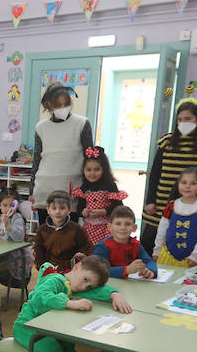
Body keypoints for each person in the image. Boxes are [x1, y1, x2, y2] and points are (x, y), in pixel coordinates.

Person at [0, 256, 131, 352]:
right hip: (27, 327)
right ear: (77, 267)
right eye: (85, 280)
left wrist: (114, 295)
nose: (84, 287)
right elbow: (41, 297)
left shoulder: (73, 285)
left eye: (89, 286)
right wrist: (69, 303)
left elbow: (96, 291)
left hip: (47, 330)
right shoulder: (55, 280)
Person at [141, 98, 197, 253]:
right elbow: (155, 175)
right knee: (148, 243)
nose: (183, 122)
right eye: (180, 119)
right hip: (162, 203)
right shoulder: (166, 142)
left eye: (188, 119)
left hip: (192, 205)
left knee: (182, 244)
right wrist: (150, 200)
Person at [30, 84, 94, 222]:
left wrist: (87, 190)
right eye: (58, 105)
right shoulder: (41, 127)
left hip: (71, 189)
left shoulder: (82, 123)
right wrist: (31, 190)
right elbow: (37, 160)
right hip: (44, 188)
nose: (63, 108)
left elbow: (90, 159)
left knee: (70, 235)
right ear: (49, 105)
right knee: (46, 234)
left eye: (66, 104)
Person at [153, 167, 197, 268]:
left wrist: (196, 256)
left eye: (193, 183)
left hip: (193, 259)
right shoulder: (171, 205)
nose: (187, 186)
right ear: (178, 183)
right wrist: (157, 251)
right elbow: (162, 230)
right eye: (184, 182)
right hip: (168, 255)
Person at [71, 145, 127, 247]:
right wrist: (83, 212)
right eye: (89, 170)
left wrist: (104, 211)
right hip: (89, 228)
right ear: (83, 170)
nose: (92, 173)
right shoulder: (83, 188)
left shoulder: (109, 185)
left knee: (105, 250)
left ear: (103, 169)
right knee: (90, 250)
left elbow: (118, 205)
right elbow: (80, 207)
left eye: (96, 169)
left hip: (107, 228)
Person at [33, 189, 91, 274]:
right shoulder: (42, 230)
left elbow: (86, 247)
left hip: (71, 270)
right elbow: (39, 252)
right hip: (49, 270)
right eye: (54, 208)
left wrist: (81, 257)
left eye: (62, 208)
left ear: (69, 210)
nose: (58, 212)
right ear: (48, 210)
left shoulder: (76, 229)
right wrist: (43, 268)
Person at [93, 206, 158, 279]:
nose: (123, 228)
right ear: (110, 227)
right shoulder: (102, 247)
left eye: (127, 224)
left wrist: (150, 271)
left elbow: (149, 261)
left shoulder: (136, 245)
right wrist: (126, 270)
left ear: (134, 228)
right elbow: (98, 270)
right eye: (118, 224)